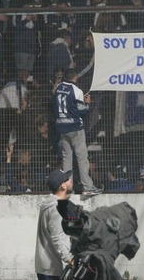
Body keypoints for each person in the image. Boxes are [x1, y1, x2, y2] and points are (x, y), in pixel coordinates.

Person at [54, 68, 102, 196]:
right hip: (75, 128)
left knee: (67, 159)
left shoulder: (58, 88)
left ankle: (67, 189)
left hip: (62, 128)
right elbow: (82, 111)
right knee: (82, 158)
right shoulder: (77, 91)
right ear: (75, 78)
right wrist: (87, 104)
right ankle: (88, 187)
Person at [35, 169, 73, 279]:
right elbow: (57, 238)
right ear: (63, 186)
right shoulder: (57, 208)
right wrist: (69, 259)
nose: (70, 180)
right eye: (67, 179)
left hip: (46, 266)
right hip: (51, 268)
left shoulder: (52, 203)